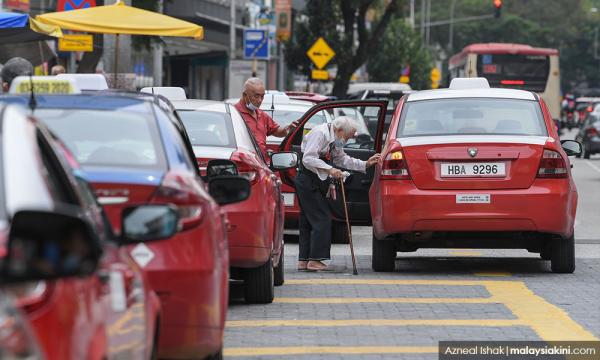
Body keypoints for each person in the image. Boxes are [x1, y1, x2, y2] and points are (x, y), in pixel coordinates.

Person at [296, 116, 380, 272]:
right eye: (347, 137)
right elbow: (308, 158)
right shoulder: (320, 133)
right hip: (307, 180)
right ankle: (316, 260)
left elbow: (341, 159)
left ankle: (305, 260)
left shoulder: (335, 138)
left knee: (308, 220)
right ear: (340, 130)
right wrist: (330, 169)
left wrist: (365, 164)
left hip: (316, 180)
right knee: (322, 218)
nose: (346, 141)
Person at [234, 78, 297, 160]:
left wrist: (288, 129)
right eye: (256, 96)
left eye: (262, 96)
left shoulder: (261, 115)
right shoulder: (234, 113)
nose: (260, 100)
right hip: (243, 162)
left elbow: (277, 131)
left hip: (261, 163)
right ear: (244, 95)